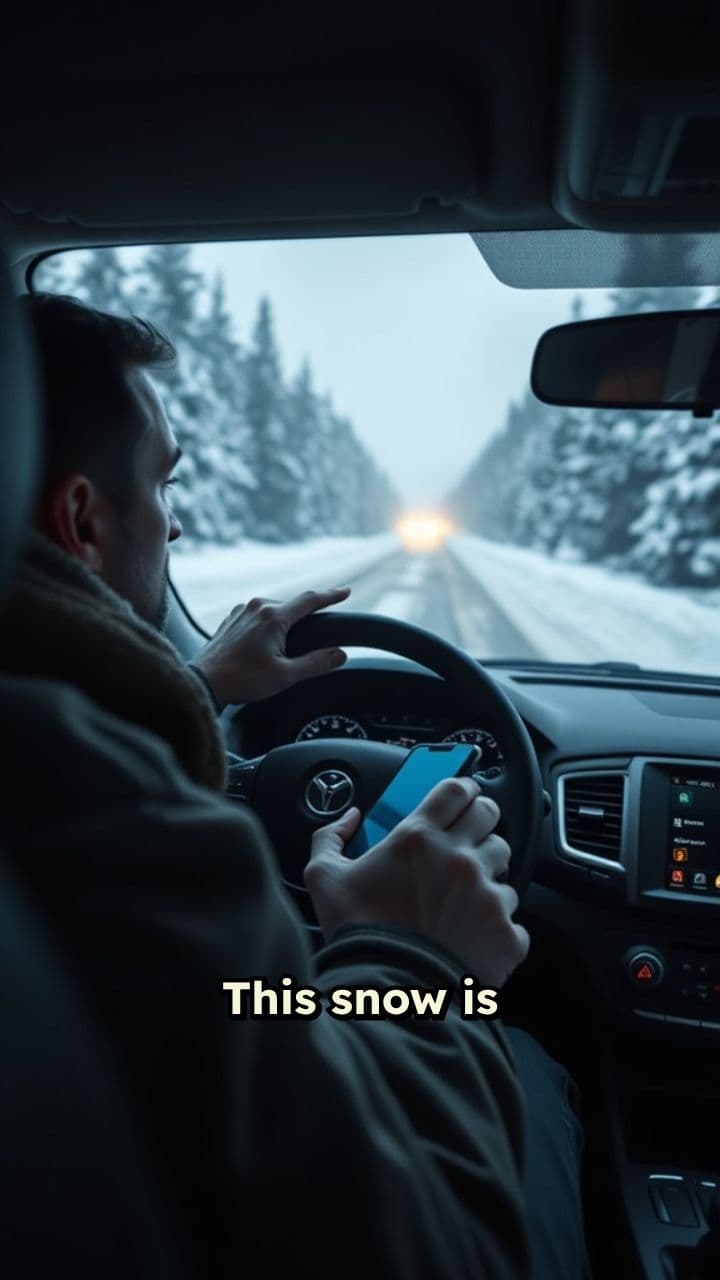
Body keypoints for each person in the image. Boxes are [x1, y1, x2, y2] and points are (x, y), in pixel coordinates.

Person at [1, 291, 590, 1278]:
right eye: (165, 484)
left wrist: (193, 684)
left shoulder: (47, 762)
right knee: (529, 1056)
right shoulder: (120, 826)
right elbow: (255, 1009)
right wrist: (410, 958)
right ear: (81, 520)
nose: (177, 525)